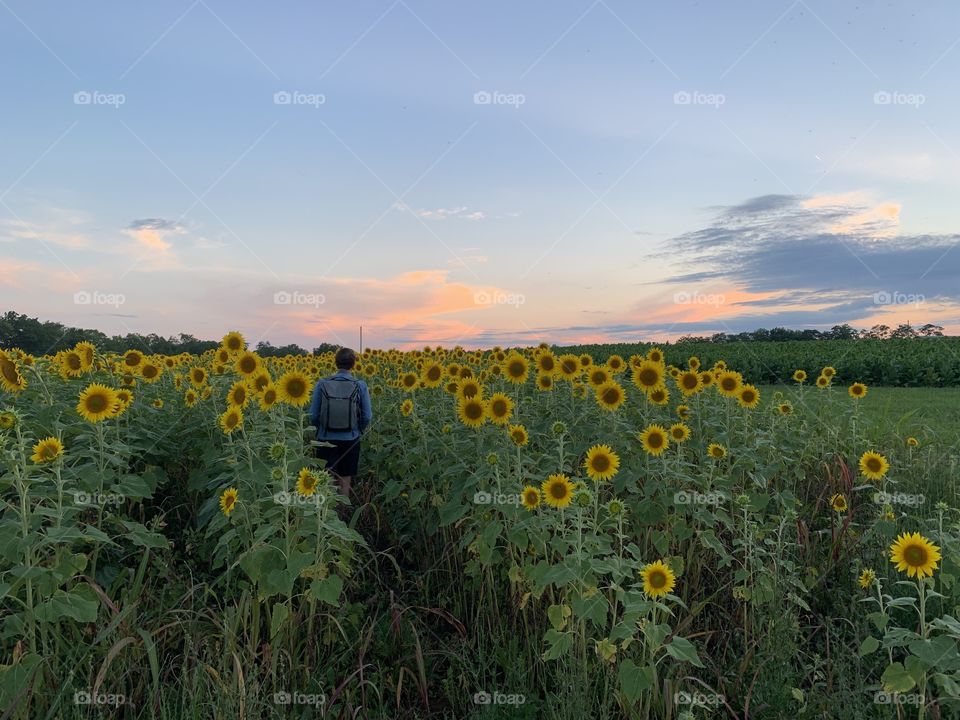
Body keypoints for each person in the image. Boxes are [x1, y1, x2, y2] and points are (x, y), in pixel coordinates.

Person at [308, 347, 372, 501]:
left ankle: (326, 514)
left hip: (325, 438)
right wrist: (358, 430)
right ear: (353, 364)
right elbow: (367, 416)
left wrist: (320, 430)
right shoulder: (360, 385)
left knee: (326, 477)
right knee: (345, 477)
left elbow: (313, 415)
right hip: (350, 438)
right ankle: (343, 514)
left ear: (335, 363)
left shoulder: (322, 384)